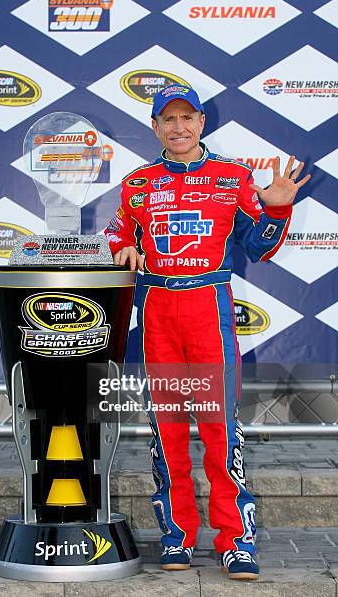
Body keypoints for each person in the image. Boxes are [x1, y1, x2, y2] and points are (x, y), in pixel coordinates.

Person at [105, 84, 310, 580]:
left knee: (221, 430)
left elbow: (260, 247)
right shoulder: (137, 183)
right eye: (167, 120)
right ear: (155, 127)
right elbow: (118, 232)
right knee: (167, 430)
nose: (178, 128)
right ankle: (176, 535)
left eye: (186, 118)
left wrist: (278, 208)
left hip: (208, 308)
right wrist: (120, 250)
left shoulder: (233, 178)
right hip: (155, 310)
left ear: (202, 122)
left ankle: (236, 541)